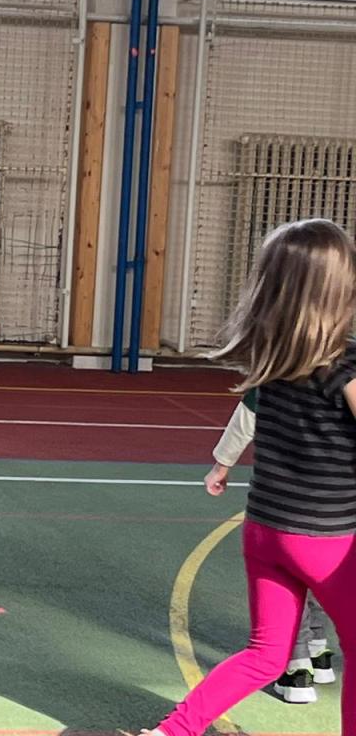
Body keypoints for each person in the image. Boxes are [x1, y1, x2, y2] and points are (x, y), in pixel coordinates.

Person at [141, 218, 356, 736]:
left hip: (265, 530)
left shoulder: (272, 357)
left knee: (265, 654)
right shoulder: (344, 363)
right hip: (324, 538)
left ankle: (172, 731)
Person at [203, 390, 336, 705]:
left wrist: (221, 465)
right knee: (321, 571)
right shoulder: (346, 374)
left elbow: (246, 416)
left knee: (288, 580)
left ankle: (297, 667)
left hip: (285, 502)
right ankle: (318, 650)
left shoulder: (279, 374)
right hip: (337, 502)